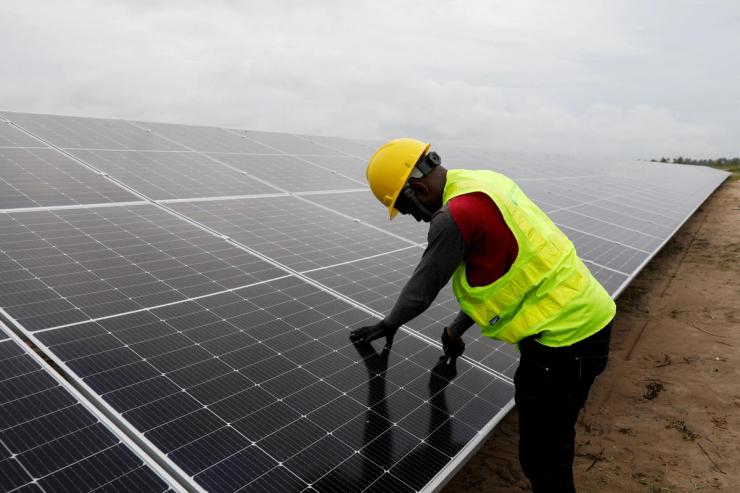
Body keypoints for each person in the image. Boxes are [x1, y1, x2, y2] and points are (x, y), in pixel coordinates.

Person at [349, 138, 615, 493]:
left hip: (562, 342)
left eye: (407, 208)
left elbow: (421, 291)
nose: (414, 218)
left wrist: (388, 324)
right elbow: (508, 272)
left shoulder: (452, 217)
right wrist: (458, 328)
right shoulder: (486, 182)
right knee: (556, 437)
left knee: (543, 457)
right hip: (590, 318)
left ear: (418, 188)